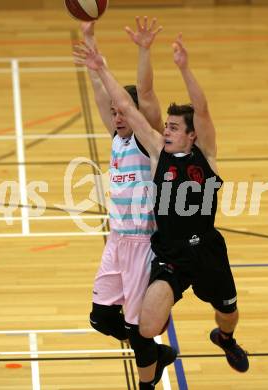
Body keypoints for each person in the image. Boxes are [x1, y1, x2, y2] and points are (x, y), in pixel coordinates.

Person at [75, 30, 250, 374]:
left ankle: (225, 338)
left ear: (191, 134)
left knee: (227, 312)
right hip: (170, 253)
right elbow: (127, 104)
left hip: (207, 251)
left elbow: (202, 109)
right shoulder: (157, 153)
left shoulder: (207, 156)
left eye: (173, 127)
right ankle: (154, 359)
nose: (166, 131)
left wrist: (184, 68)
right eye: (165, 126)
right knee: (147, 329)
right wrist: (100, 67)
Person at [74, 18, 177, 390]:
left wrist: (143, 50)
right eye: (115, 114)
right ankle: (154, 351)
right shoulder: (117, 138)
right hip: (116, 242)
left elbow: (145, 96)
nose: (117, 117)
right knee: (101, 319)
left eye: (123, 112)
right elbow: (103, 98)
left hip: (142, 246)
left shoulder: (146, 142)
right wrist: (90, 41)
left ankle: (147, 376)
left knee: (137, 332)